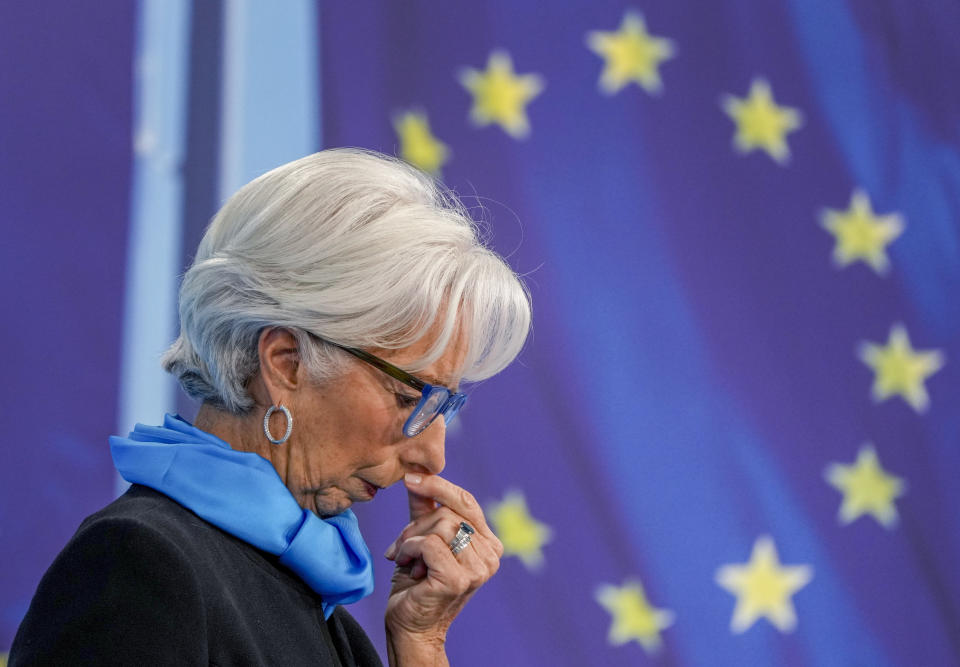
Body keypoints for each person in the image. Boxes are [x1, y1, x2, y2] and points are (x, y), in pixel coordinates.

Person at [10, 149, 531, 666]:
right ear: (286, 363)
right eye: (410, 396)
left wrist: (420, 642)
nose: (433, 455)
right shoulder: (136, 565)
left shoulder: (325, 617)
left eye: (447, 405)